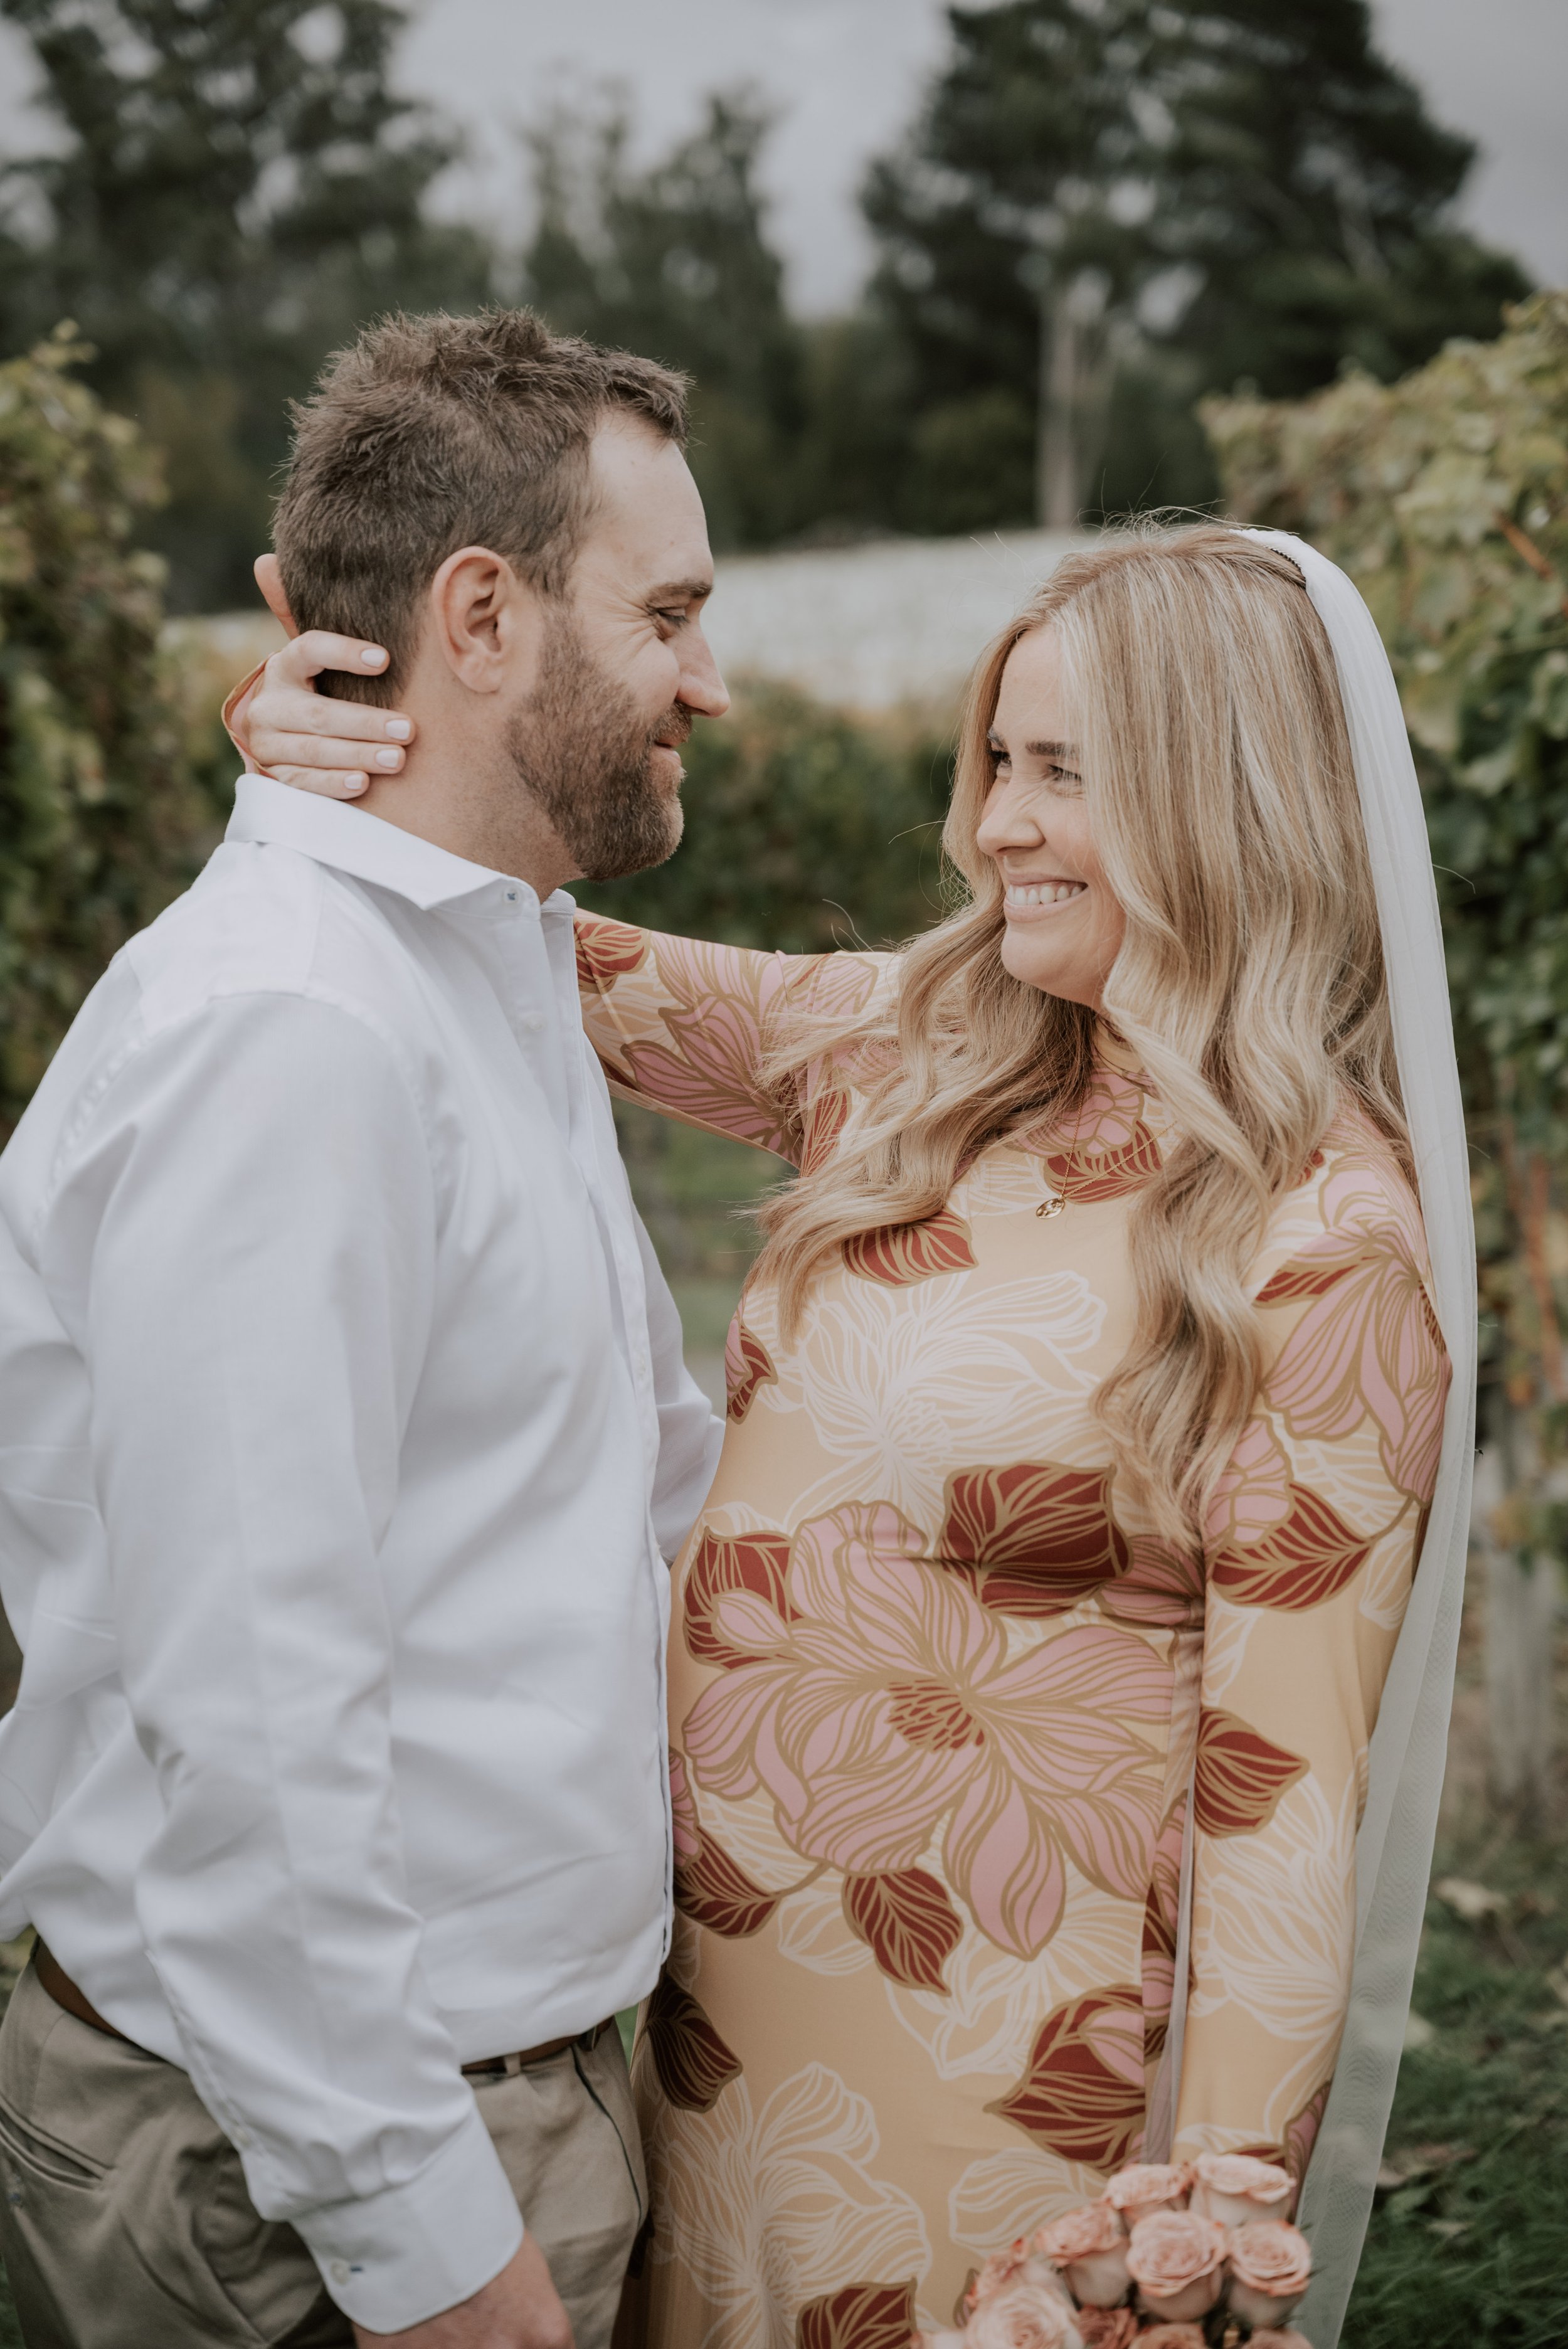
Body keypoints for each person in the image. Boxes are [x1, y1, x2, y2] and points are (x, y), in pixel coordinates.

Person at [231, 522, 1475, 2349]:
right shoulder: (920, 1042)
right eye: (994, 764)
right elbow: (534, 954)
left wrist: (1200, 2214)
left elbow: (1282, 1793)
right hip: (696, 2031)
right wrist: (335, 756)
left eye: (1063, 774)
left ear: (1228, 798)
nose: (991, 827)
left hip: (997, 2093)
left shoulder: (1321, 1241)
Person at [0, 309, 735, 2349]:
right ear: (478, 614)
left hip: (490, 2085)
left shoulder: (485, 954)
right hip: (310, 2176)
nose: (711, 678)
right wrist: (433, 2256)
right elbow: (250, 1719)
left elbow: (606, 1485)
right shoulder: (291, 1039)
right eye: (666, 610)